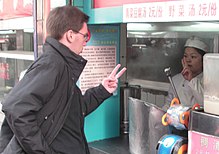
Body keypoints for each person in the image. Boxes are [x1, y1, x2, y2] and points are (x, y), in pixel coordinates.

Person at [0, 6, 126, 154]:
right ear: (70, 35)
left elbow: (74, 110)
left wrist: (103, 90)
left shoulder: (63, 66)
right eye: (85, 36)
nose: (85, 41)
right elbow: (15, 107)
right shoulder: (52, 64)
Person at [163, 36, 208, 111]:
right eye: (185, 56)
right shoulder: (176, 80)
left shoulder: (209, 82)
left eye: (193, 57)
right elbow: (168, 105)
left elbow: (205, 106)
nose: (188, 60)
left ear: (203, 60)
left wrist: (191, 80)